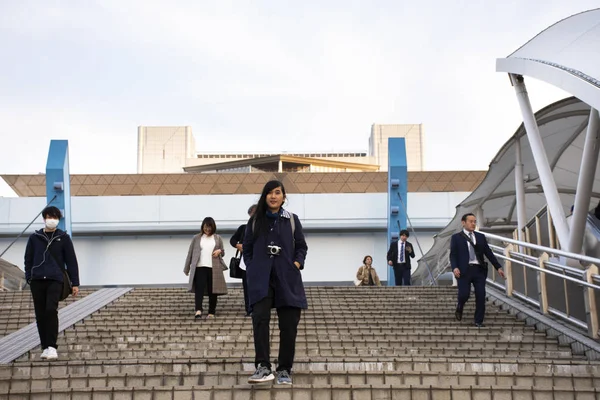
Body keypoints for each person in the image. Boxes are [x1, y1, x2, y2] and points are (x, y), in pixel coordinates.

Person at [243, 180, 308, 385]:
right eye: (269, 193)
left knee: (289, 325)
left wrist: (296, 263)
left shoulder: (291, 220)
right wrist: (252, 267)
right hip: (261, 277)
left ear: (283, 197)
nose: (273, 196)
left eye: (277, 192)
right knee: (260, 320)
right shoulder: (255, 221)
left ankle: (284, 369)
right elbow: (247, 247)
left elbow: (301, 246)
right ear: (264, 196)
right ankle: (263, 367)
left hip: (286, 277)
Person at [24, 206, 80, 361]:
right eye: (50, 216)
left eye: (55, 217)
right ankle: (44, 346)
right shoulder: (34, 238)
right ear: (44, 218)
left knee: (50, 310)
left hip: (56, 279)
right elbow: (28, 259)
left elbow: (71, 261)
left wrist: (75, 282)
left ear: (58, 219)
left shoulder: (63, 237)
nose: (52, 219)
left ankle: (52, 347)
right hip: (37, 280)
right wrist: (29, 277)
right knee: (40, 315)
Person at [450, 213, 505, 328]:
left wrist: (498, 267)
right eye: (471, 221)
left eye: (475, 221)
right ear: (463, 222)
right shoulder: (456, 238)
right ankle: (460, 306)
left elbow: (488, 253)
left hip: (479, 270)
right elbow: (453, 255)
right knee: (464, 294)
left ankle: (478, 321)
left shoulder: (480, 237)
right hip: (464, 270)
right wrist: (455, 267)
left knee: (481, 295)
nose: (473, 223)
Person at [183, 217, 228, 320]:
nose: (207, 229)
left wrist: (219, 251)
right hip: (199, 267)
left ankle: (211, 312)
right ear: (202, 227)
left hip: (214, 268)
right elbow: (190, 253)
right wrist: (187, 268)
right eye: (205, 227)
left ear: (213, 227)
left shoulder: (217, 238)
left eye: (209, 227)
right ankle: (198, 310)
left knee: (213, 290)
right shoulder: (196, 238)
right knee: (199, 289)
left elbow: (223, 252)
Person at [230, 204, 257, 316]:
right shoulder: (243, 228)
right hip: (245, 263)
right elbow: (232, 240)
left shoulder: (266, 228)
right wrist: (238, 245)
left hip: (260, 263)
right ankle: (249, 309)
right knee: (247, 287)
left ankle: (259, 309)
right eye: (253, 213)